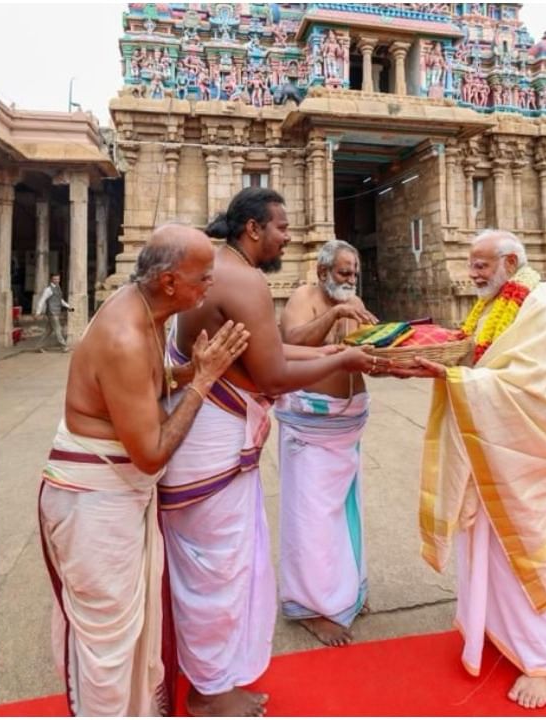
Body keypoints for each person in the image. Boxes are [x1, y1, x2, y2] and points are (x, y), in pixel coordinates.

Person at [161, 188, 384, 717]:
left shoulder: (225, 268)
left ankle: (218, 680)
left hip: (215, 437)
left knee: (229, 564)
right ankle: (209, 693)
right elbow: (273, 373)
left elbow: (268, 350)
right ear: (254, 228)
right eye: (282, 226)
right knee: (217, 568)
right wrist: (344, 356)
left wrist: (333, 350)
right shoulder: (243, 280)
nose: (289, 235)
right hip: (212, 443)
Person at [39, 224, 250, 716]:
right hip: (93, 502)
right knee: (108, 643)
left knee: (130, 632)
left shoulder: (150, 312)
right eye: (204, 276)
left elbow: (147, 385)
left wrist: (187, 371)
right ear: (171, 282)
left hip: (114, 497)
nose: (211, 287)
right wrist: (204, 382)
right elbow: (151, 454)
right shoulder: (126, 335)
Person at [408, 229, 546, 710]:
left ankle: (545, 661)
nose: (473, 274)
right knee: (481, 538)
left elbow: (533, 383)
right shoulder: (488, 306)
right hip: (487, 442)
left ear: (509, 261)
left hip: (524, 447)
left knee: (527, 545)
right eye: (472, 264)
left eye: (481, 265)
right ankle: (494, 627)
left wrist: (458, 379)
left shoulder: (542, 300)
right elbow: (478, 355)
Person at [276, 239, 379, 647]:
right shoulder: (304, 297)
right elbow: (294, 341)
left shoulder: (353, 301)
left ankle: (345, 591)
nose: (351, 279)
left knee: (340, 513)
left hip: (346, 422)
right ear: (322, 273)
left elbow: (366, 349)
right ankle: (310, 607)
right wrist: (336, 311)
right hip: (311, 425)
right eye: (343, 273)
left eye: (354, 272)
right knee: (311, 519)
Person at [34, 273, 75, 352]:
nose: (57, 281)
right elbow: (41, 300)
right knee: (58, 328)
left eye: (58, 279)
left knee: (48, 331)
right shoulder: (48, 290)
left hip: (56, 312)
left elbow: (60, 300)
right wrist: (38, 312)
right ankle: (64, 346)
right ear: (51, 279)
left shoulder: (58, 288)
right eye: (55, 279)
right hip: (52, 313)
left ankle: (38, 346)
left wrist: (69, 307)